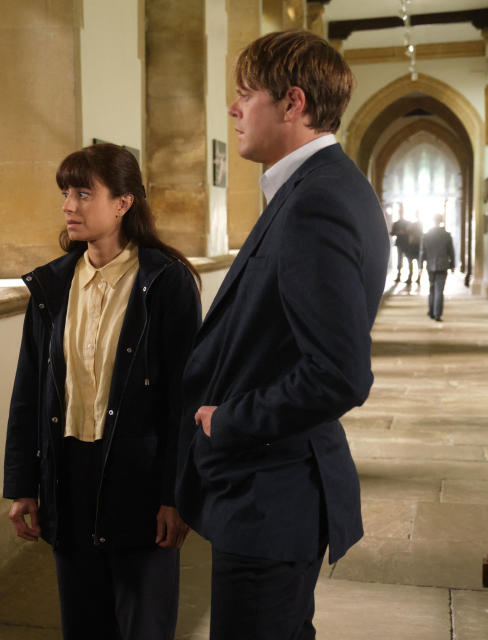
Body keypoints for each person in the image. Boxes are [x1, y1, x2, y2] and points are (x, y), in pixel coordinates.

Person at [175, 31, 389, 640]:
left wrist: (228, 420)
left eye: (246, 94)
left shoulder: (316, 199)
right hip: (271, 488)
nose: (233, 109)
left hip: (273, 491)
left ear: (292, 103)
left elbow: (339, 374)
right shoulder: (311, 187)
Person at [3, 143, 202, 639]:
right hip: (68, 477)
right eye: (66, 193)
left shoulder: (166, 283)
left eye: (83, 193)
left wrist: (175, 496)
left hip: (139, 481)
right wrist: (23, 484)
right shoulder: (52, 285)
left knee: (143, 625)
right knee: (84, 625)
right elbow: (29, 389)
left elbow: (184, 400)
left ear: (123, 203)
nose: (69, 205)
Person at [420, 214, 455, 321]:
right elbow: (451, 252)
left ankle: (431, 311)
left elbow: (422, 252)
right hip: (443, 265)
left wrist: (420, 266)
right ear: (441, 221)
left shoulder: (426, 235)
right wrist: (452, 265)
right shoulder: (446, 235)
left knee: (431, 289)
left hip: (430, 265)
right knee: (439, 290)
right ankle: (437, 314)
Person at [390, 209, 413, 283]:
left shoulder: (408, 223)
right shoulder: (396, 223)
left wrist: (404, 232)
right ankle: (399, 276)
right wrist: (398, 232)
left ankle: (410, 277)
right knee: (399, 261)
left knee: (409, 260)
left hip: (407, 244)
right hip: (400, 244)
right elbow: (392, 233)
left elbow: (411, 232)